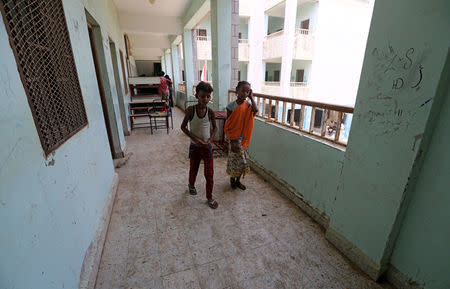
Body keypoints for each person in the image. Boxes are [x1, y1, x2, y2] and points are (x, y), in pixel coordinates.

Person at [181, 81, 218, 209]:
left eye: (208, 96)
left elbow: (215, 128)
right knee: (194, 169)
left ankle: (209, 197)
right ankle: (191, 185)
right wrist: (197, 140)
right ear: (196, 96)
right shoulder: (191, 110)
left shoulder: (210, 112)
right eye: (202, 96)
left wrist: (210, 140)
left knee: (209, 173)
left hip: (207, 147)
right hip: (195, 147)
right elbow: (183, 127)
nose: (205, 99)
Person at [224, 81, 258, 190]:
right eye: (243, 91)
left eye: (247, 92)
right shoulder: (231, 106)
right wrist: (232, 140)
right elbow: (228, 124)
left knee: (243, 161)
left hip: (243, 139)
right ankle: (232, 180)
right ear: (237, 91)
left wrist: (252, 98)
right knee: (234, 161)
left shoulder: (248, 105)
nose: (245, 94)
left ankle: (238, 181)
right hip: (233, 139)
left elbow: (256, 110)